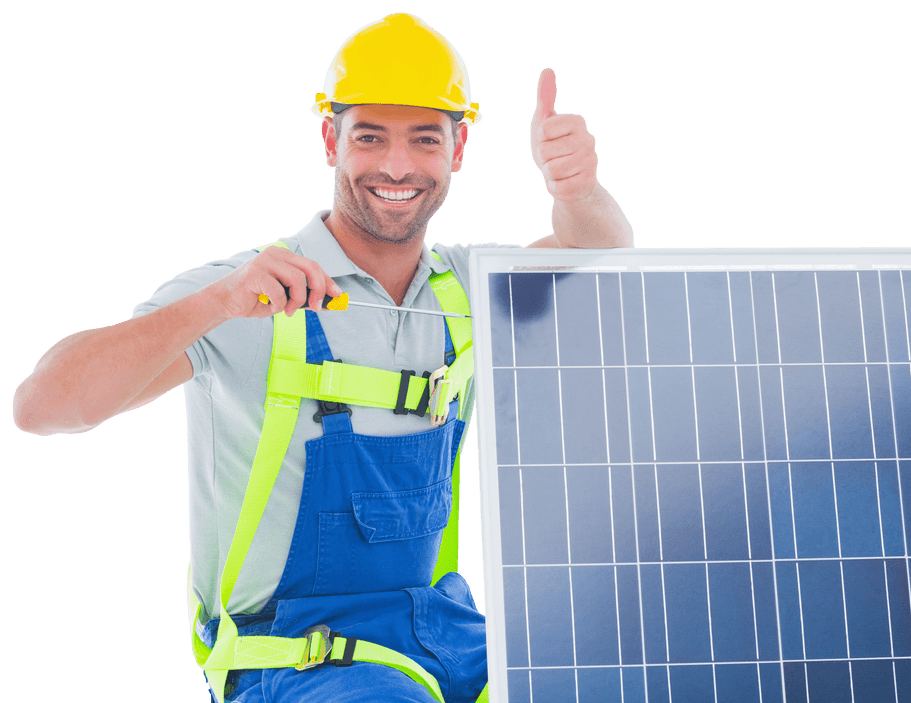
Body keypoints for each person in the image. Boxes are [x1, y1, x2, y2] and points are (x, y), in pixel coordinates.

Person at [12, 11, 633, 703]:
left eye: (424, 139)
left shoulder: (465, 289)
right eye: (370, 136)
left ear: (457, 151)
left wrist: (575, 189)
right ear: (329, 139)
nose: (397, 166)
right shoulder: (248, 292)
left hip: (446, 634)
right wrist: (214, 306)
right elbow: (44, 407)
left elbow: (600, 256)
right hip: (298, 658)